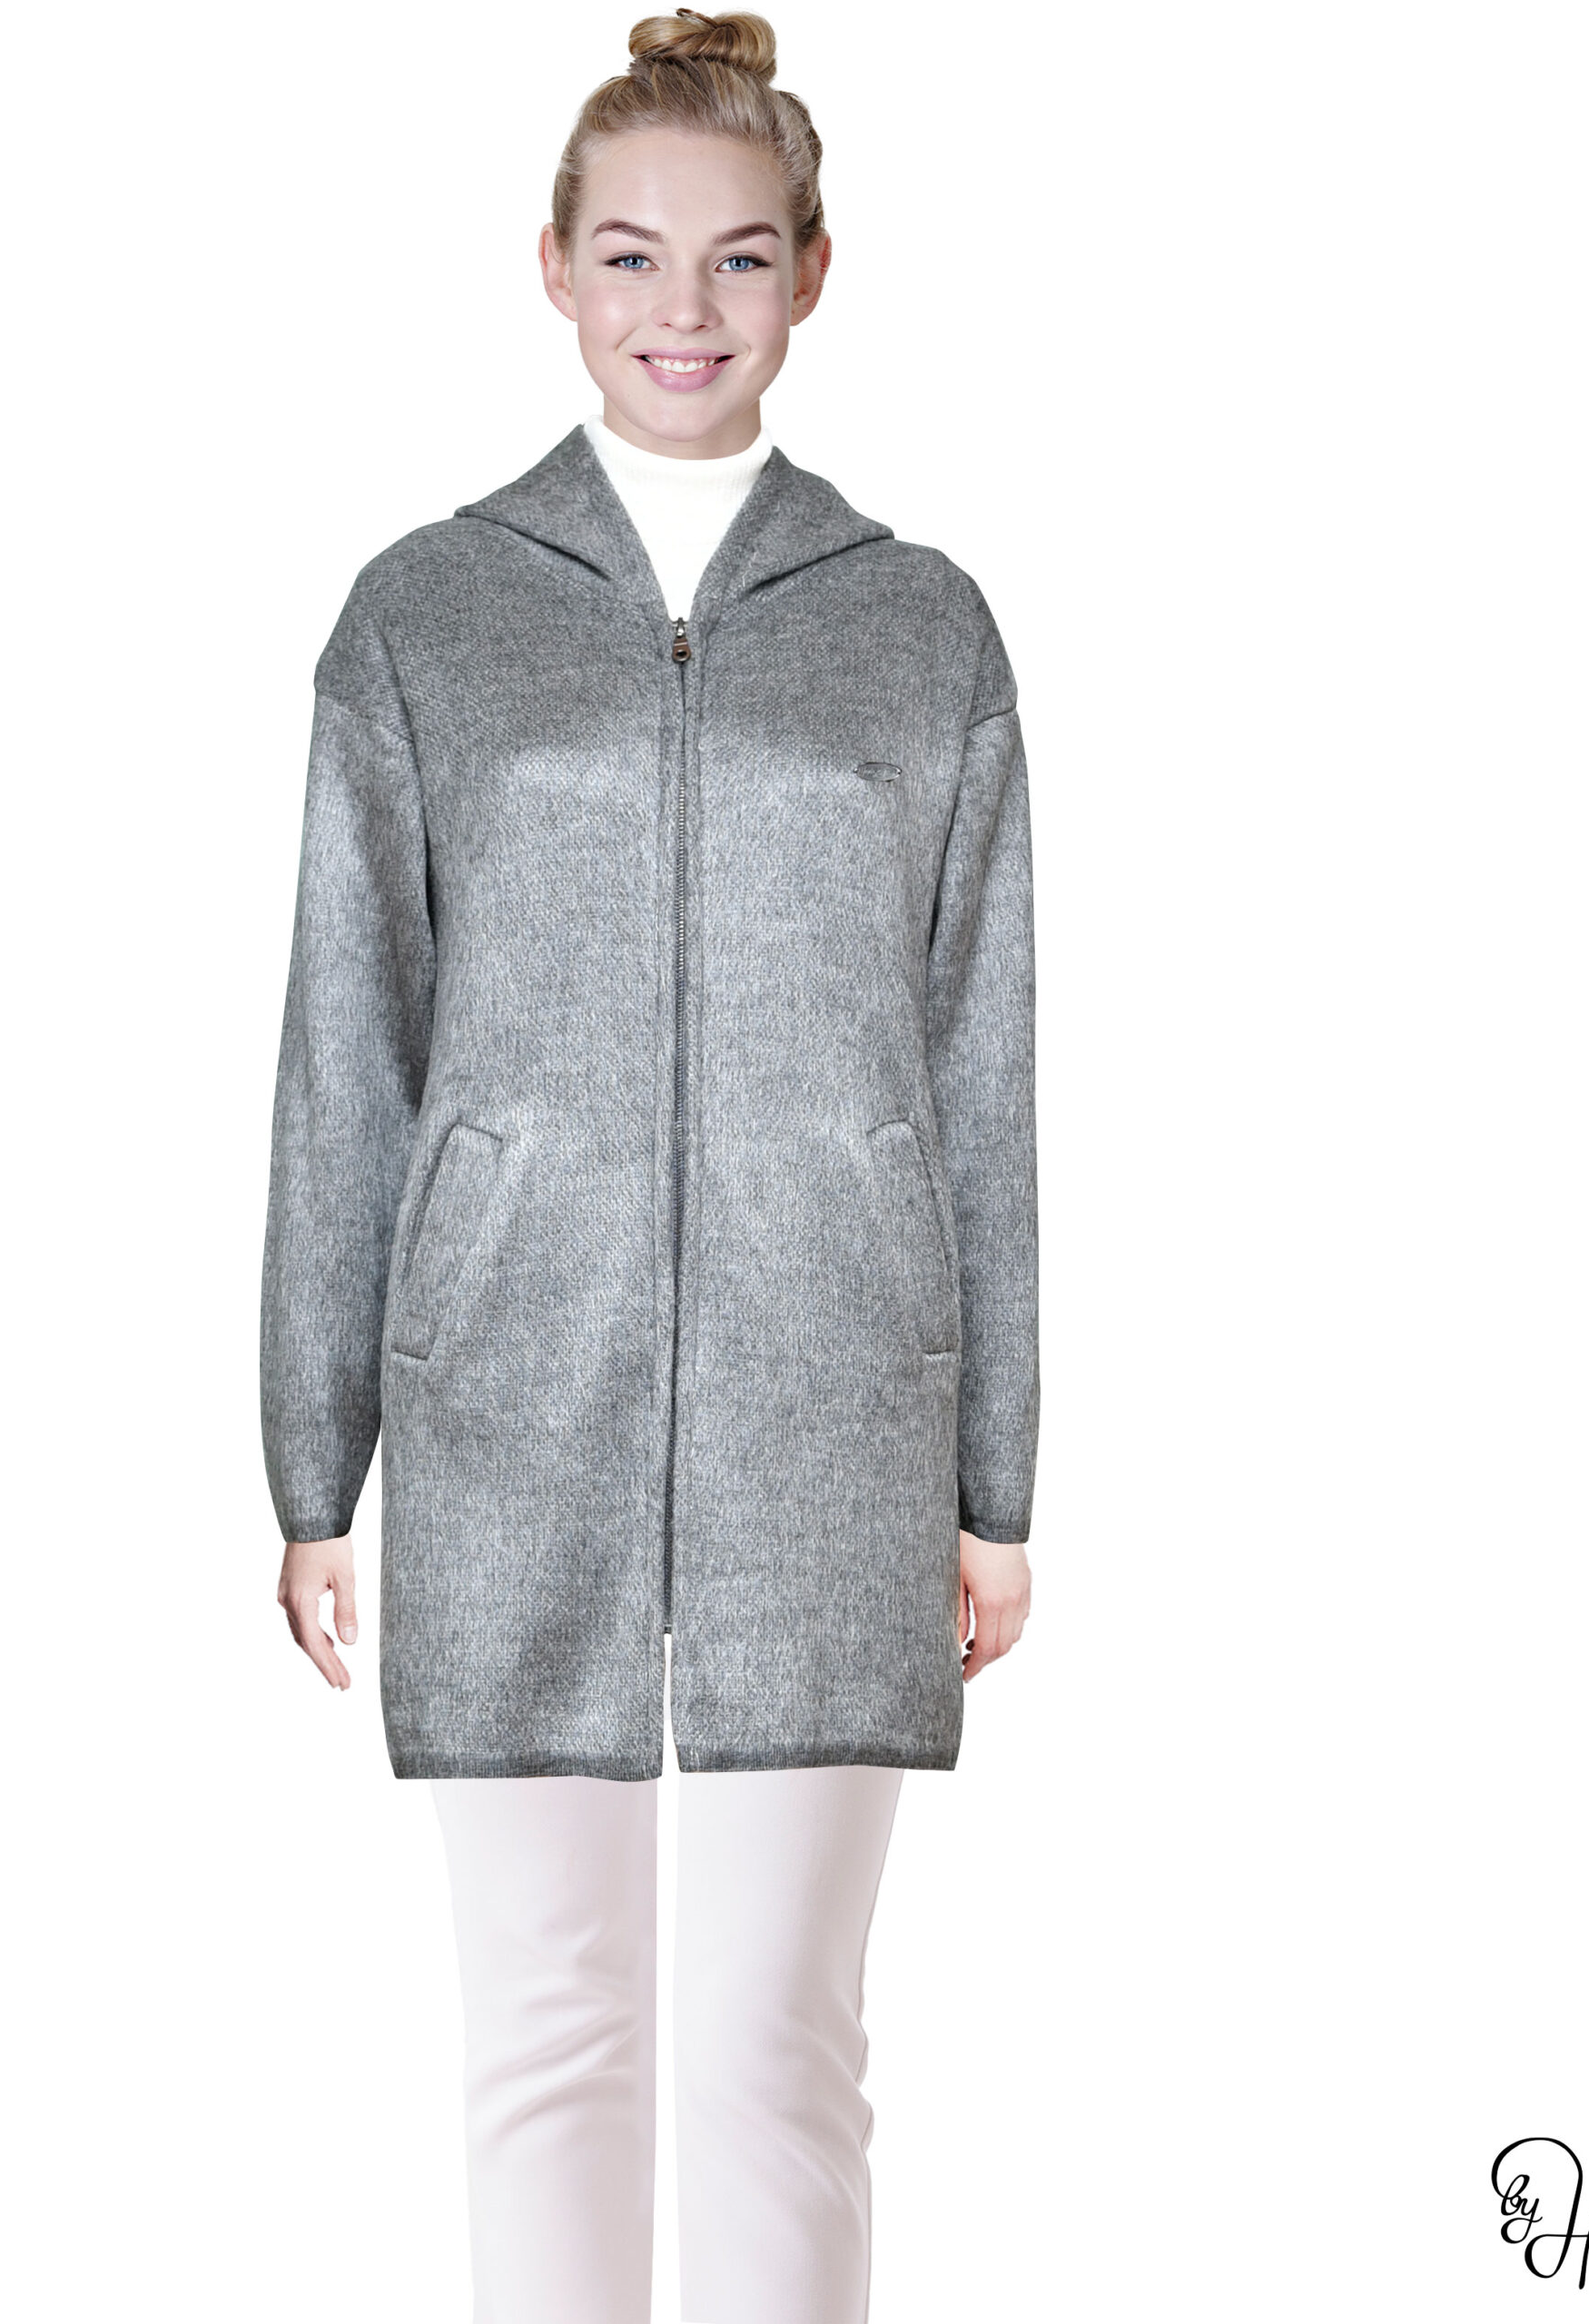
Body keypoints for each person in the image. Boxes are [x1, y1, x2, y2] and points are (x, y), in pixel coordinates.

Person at [261, 11, 1038, 2319]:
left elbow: (981, 1062)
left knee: (782, 2052)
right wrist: (313, 1453)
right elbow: (344, 1051)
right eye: (629, 255)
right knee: (546, 2042)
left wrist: (993, 1476)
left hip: (832, 1418)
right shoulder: (422, 616)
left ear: (812, 272)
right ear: (550, 268)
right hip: (514, 1399)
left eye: (734, 257)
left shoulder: (919, 626)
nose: (680, 309)